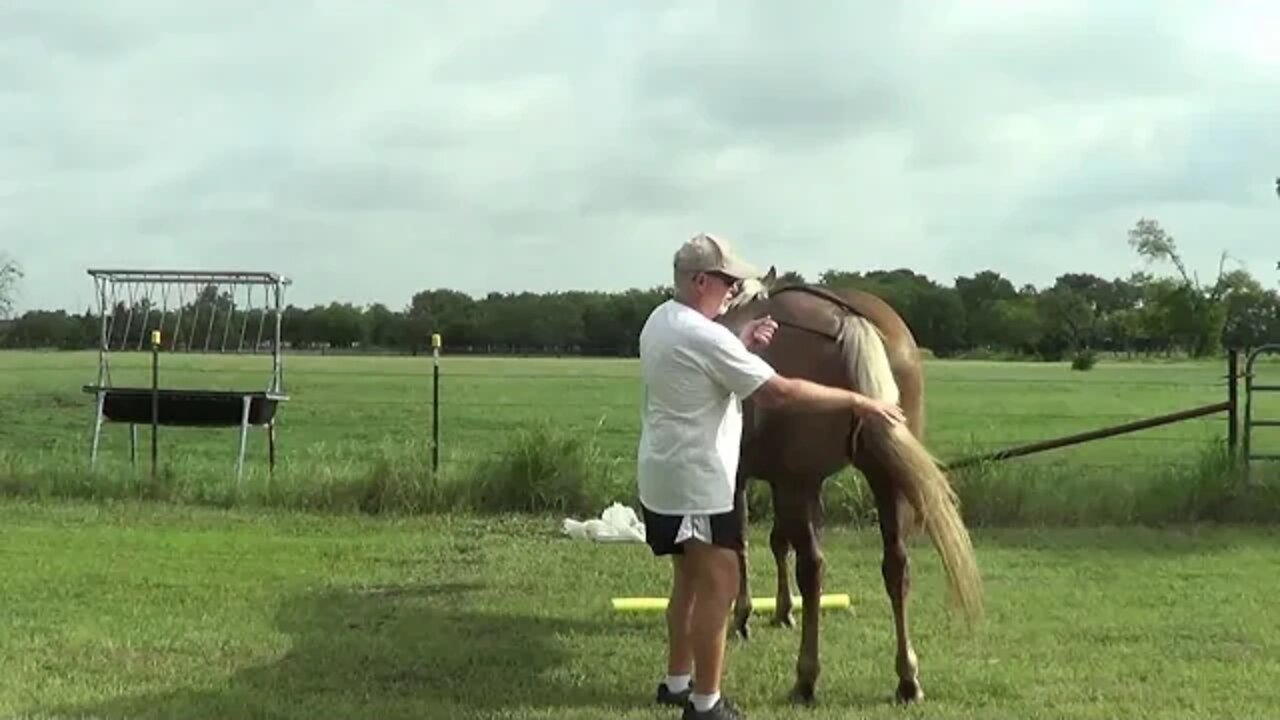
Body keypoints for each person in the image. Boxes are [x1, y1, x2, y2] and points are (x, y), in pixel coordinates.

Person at [636, 233, 906, 720]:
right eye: (729, 281)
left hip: (663, 477)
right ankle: (706, 703)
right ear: (701, 281)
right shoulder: (707, 336)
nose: (736, 289)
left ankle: (676, 683)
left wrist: (740, 343)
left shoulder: (661, 321)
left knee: (688, 582)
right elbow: (780, 393)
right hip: (699, 482)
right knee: (720, 584)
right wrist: (861, 402)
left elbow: (702, 363)